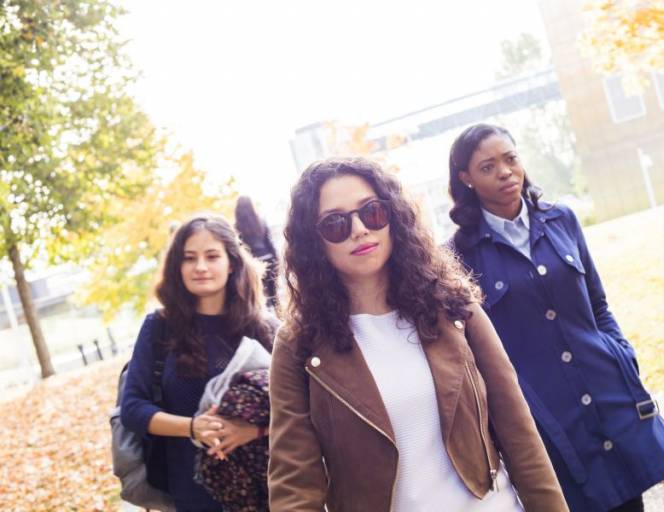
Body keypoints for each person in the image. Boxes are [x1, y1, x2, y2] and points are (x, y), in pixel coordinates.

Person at [268, 157, 568, 512]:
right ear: (312, 241)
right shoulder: (299, 343)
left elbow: (519, 434)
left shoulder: (453, 305)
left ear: (393, 216)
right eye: (335, 224)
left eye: (372, 212)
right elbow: (294, 484)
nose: (359, 230)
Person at [447, 124, 664, 512]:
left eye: (511, 159)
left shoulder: (562, 220)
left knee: (630, 502)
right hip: (545, 414)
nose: (505, 172)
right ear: (466, 178)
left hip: (605, 389)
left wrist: (621, 354)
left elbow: (598, 303)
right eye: (488, 167)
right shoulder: (459, 254)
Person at [121, 213, 277, 511]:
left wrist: (254, 431)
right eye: (189, 258)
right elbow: (132, 408)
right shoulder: (159, 327)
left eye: (212, 256)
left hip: (271, 487)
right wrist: (193, 427)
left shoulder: (266, 329)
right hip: (195, 494)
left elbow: (307, 406)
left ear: (231, 263)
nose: (201, 267)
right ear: (177, 266)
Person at [235, 195, 281, 312]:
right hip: (269, 258)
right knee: (273, 291)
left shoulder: (237, 226)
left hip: (254, 262)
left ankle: (265, 314)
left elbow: (240, 248)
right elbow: (269, 242)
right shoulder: (260, 221)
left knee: (259, 291)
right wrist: (276, 259)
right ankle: (277, 314)